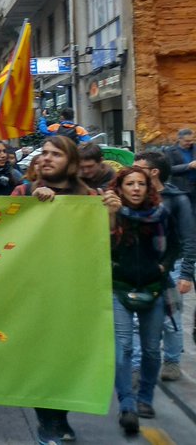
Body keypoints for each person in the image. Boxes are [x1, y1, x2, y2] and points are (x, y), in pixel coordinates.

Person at [10, 136, 97, 443]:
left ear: (71, 163)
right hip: (34, 291)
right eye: (44, 153)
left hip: (74, 291)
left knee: (68, 357)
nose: (46, 158)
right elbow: (5, 231)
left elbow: (106, 242)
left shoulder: (90, 197)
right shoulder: (23, 191)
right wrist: (32, 203)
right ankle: (47, 422)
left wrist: (111, 214)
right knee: (42, 359)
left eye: (56, 154)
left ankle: (61, 416)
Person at [103, 166, 179, 436]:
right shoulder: (110, 212)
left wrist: (162, 268)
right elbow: (103, 248)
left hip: (154, 289)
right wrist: (111, 217)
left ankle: (145, 397)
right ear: (119, 188)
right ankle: (127, 404)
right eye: (129, 184)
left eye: (141, 184)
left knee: (151, 349)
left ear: (148, 188)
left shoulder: (161, 214)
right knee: (123, 348)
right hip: (119, 288)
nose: (135, 189)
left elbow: (174, 246)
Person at [133, 151, 195, 383]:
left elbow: (189, 239)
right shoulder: (134, 196)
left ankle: (171, 360)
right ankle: (136, 364)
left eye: (138, 168)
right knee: (137, 317)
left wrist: (186, 273)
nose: (133, 172)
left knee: (171, 317)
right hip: (141, 266)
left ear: (154, 172)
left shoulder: (177, 200)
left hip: (173, 266)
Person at [166, 128, 196, 207]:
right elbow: (170, 169)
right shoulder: (170, 151)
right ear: (179, 139)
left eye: (192, 140)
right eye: (187, 141)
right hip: (180, 189)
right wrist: (188, 166)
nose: (190, 143)